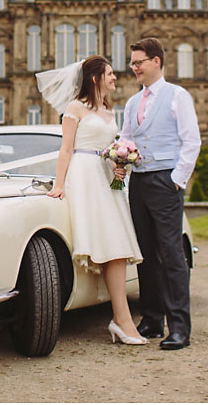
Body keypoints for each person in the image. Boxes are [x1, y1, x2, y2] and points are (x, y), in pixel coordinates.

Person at [36, 55, 146, 345]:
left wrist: (117, 164)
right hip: (84, 176)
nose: (114, 78)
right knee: (110, 245)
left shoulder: (109, 111)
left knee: (117, 246)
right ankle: (122, 321)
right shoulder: (75, 108)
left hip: (106, 179)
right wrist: (58, 186)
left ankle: (121, 320)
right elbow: (66, 150)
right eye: (109, 74)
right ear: (95, 78)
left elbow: (108, 148)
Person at [118, 37, 200, 350]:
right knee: (146, 253)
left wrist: (177, 180)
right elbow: (126, 139)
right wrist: (121, 163)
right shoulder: (131, 103)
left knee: (171, 254)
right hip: (138, 182)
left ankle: (179, 326)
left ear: (156, 61)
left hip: (166, 181)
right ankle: (152, 320)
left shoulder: (178, 96)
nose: (133, 67)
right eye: (132, 62)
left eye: (138, 62)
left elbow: (191, 141)